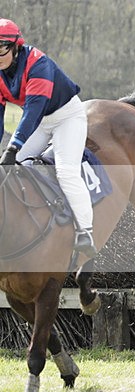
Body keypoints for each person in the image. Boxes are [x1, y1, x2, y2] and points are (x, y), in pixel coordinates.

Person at [0, 19, 96, 257]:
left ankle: (85, 231)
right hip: (42, 122)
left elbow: (32, 111)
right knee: (9, 171)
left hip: (67, 118)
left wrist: (12, 148)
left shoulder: (37, 65)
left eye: (1, 47)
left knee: (66, 171)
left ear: (16, 46)